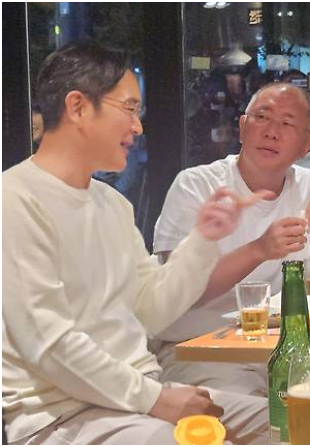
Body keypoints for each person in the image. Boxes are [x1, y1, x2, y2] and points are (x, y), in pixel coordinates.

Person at [2, 41, 270, 445]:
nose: (138, 127)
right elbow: (49, 344)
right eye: (128, 108)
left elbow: (149, 310)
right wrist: (156, 399)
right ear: (77, 107)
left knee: (290, 420)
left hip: (134, 398)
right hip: (61, 416)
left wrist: (204, 238)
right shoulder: (15, 200)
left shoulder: (111, 203)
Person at [152, 82, 310, 396]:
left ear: (306, 145)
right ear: (242, 127)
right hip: (203, 352)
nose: (271, 132)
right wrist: (259, 250)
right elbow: (177, 289)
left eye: (287, 124)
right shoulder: (197, 185)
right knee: (275, 417)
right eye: (262, 117)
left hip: (289, 350)